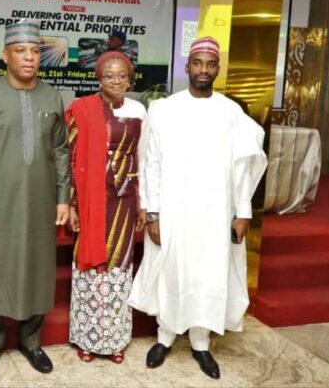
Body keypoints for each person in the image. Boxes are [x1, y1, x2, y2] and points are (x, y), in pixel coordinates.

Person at [129, 37, 267, 379]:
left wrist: (243, 211)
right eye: (197, 63)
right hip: (173, 210)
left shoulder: (230, 112)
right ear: (187, 66)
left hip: (215, 212)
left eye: (210, 64)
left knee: (208, 273)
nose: (203, 70)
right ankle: (164, 338)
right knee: (171, 270)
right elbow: (150, 163)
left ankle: (201, 344)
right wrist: (153, 212)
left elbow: (244, 166)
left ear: (217, 69)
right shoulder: (165, 109)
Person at [0, 19, 70, 378]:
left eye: (36, 51)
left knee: (39, 270)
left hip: (41, 203)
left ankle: (32, 342)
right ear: (6, 55)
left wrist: (63, 198)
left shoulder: (52, 95)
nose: (29, 58)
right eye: (21, 51)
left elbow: (60, 151)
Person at [66, 51, 147, 364]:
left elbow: (144, 156)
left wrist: (144, 204)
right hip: (89, 200)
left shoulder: (139, 111)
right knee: (89, 268)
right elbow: (71, 159)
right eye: (109, 75)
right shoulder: (82, 110)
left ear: (130, 78)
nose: (116, 80)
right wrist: (72, 203)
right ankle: (86, 336)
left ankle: (114, 340)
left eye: (122, 75)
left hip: (124, 200)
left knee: (118, 266)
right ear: (98, 78)